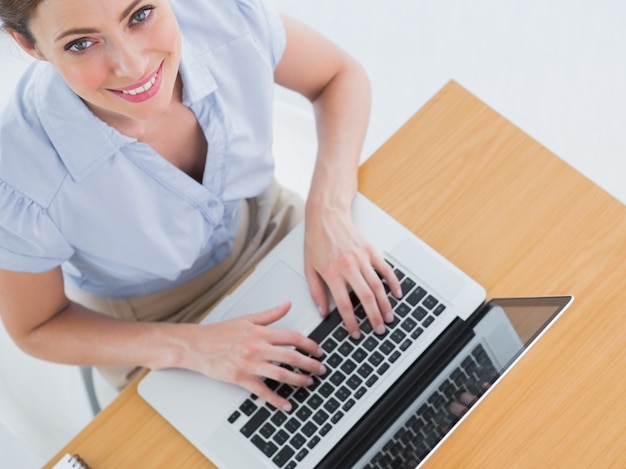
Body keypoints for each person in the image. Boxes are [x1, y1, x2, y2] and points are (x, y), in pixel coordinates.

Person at [0, 0, 402, 412]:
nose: (133, 65)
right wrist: (192, 346)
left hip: (271, 227)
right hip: (154, 322)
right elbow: (37, 327)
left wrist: (329, 210)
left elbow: (337, 77)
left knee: (405, 366)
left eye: (139, 15)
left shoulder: (223, 15)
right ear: (30, 45)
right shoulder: (16, 174)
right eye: (81, 44)